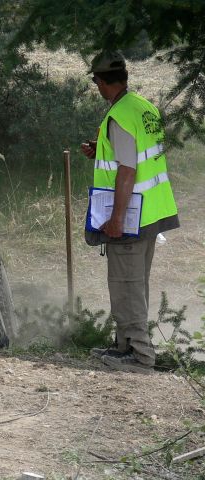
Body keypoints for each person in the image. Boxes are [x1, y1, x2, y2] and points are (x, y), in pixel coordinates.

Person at [81, 51, 179, 373]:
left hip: (132, 216)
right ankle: (123, 346)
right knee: (133, 283)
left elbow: (127, 170)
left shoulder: (119, 116)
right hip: (153, 210)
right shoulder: (143, 108)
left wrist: (117, 218)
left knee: (126, 284)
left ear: (100, 82)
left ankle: (139, 356)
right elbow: (139, 153)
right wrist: (100, 151)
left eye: (95, 81)